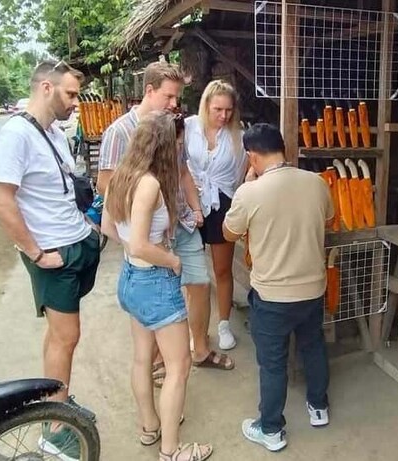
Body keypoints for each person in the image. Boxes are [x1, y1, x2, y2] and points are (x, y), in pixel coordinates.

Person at [0, 59, 101, 457]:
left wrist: (88, 229)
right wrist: (36, 252)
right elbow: (1, 201)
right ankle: (54, 428)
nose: (76, 102)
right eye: (71, 94)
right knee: (66, 337)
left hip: (73, 243)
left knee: (59, 336)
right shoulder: (16, 135)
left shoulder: (51, 131)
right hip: (53, 253)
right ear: (46, 89)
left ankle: (58, 401)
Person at [99, 61, 232, 382]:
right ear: (149, 91)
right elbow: (107, 184)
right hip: (152, 233)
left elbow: (183, 171)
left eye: (178, 98)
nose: (176, 104)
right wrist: (141, 224)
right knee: (159, 302)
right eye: (170, 97)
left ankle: (198, 349)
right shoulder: (120, 131)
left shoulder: (174, 126)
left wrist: (196, 208)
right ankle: (161, 365)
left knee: (199, 283)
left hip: (181, 221)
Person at [100, 111, 213, 461]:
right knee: (179, 367)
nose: (181, 148)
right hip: (154, 280)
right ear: (165, 144)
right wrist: (172, 261)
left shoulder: (121, 176)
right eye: (177, 143)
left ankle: (150, 427)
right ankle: (172, 450)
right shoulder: (148, 184)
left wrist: (145, 250)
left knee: (141, 359)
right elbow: (139, 243)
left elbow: (108, 229)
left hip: (131, 279)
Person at [222, 124, 334, 452]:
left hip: (272, 296)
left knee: (272, 362)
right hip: (313, 289)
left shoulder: (250, 192)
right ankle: (319, 408)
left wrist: (245, 187)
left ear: (252, 156)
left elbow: (229, 234)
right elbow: (328, 221)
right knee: (313, 347)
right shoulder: (316, 182)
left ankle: (271, 428)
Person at [184, 79, 247, 356]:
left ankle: (223, 324)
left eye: (229, 110)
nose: (223, 116)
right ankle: (196, 329)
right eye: (218, 109)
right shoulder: (188, 128)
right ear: (206, 105)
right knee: (194, 272)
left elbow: (242, 174)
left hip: (222, 202)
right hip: (191, 201)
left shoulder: (238, 136)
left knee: (222, 269)